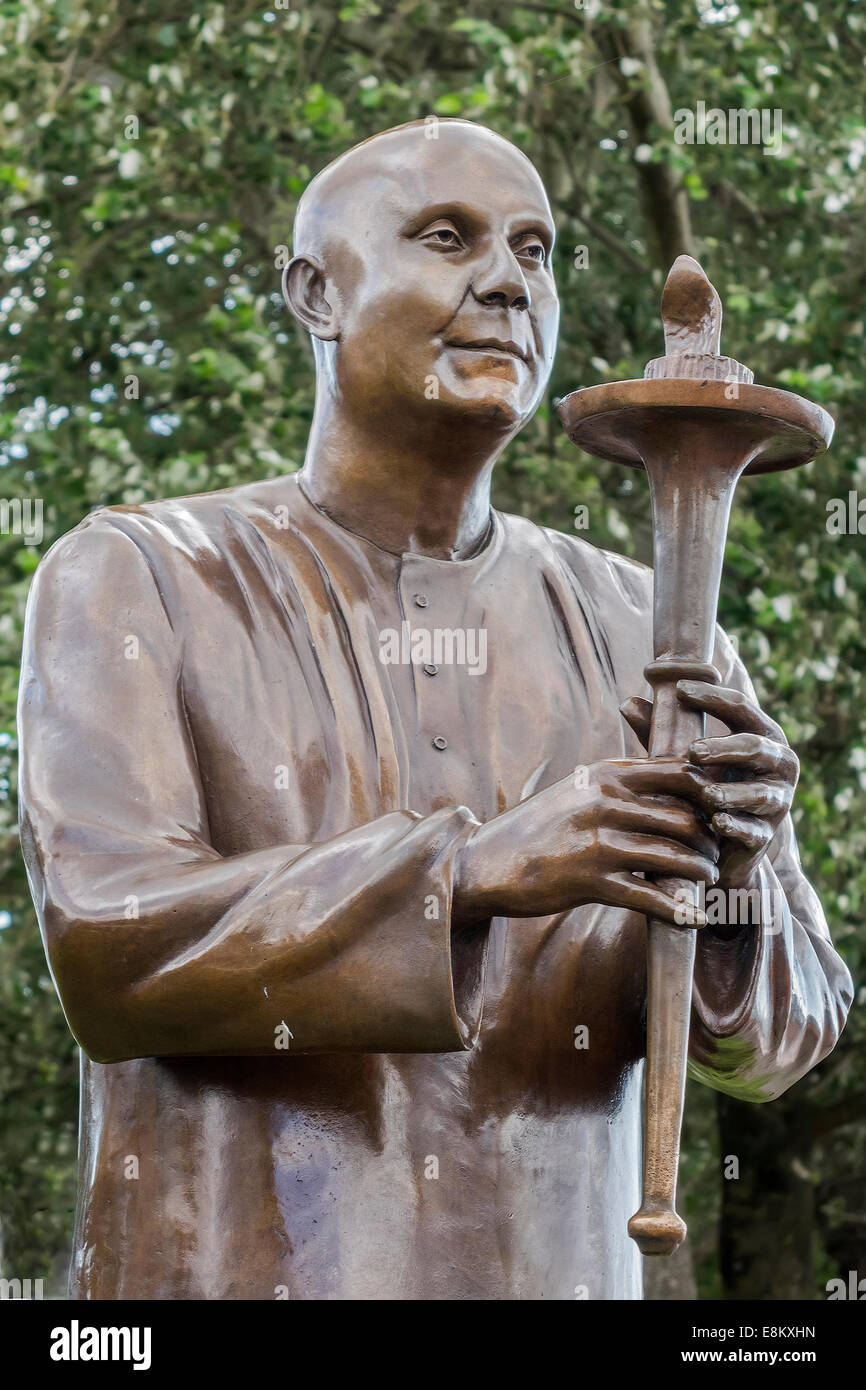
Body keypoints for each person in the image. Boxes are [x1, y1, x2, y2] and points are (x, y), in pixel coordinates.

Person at [18, 120, 852, 1300]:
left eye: (536, 250)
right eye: (447, 237)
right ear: (315, 292)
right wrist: (468, 872)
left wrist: (734, 878)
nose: (507, 280)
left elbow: (784, 1039)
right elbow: (110, 944)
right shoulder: (139, 575)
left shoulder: (656, 633)